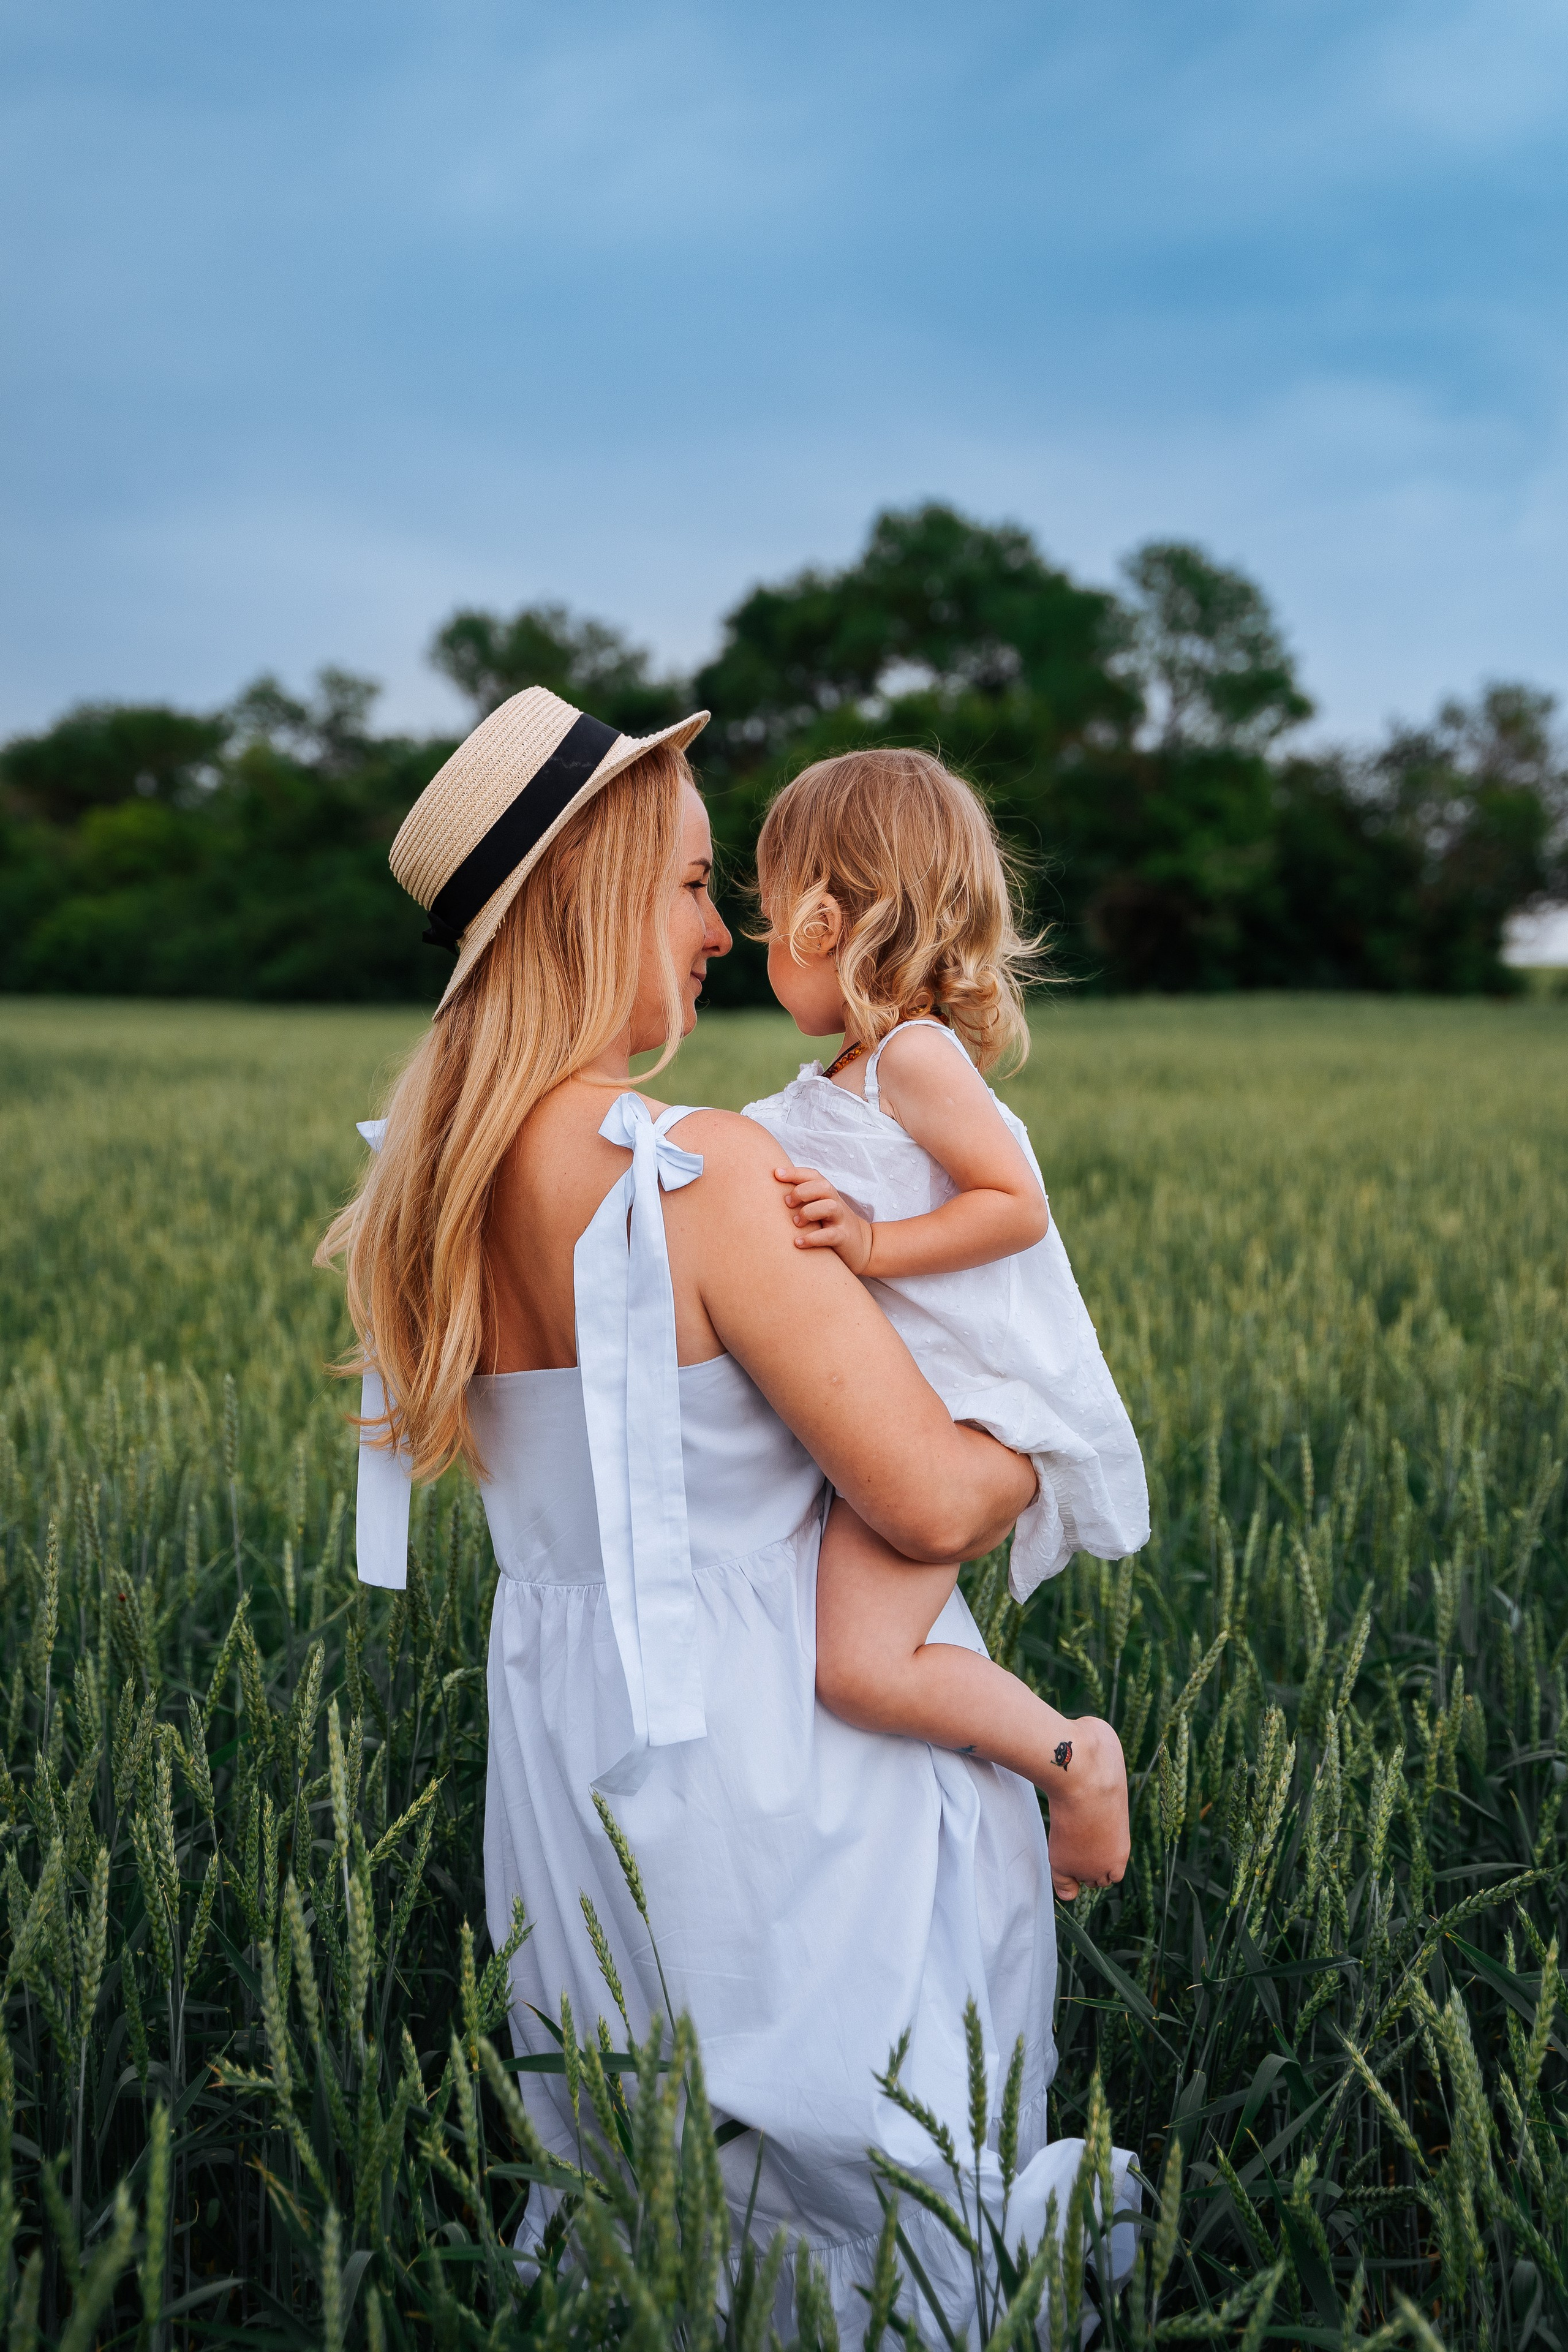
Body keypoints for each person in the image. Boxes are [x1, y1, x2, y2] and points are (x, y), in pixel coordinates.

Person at [319, 687, 1136, 2331]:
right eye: (694, 885)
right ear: (592, 896)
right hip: (789, 1763)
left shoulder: (433, 1182)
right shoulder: (688, 1167)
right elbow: (927, 1499)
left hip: (571, 1751)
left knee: (653, 2205)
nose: (720, 932)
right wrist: (1042, 1437)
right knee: (889, 2211)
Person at [742, 748, 1148, 1893]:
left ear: (824, 923)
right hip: (903, 1411)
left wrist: (874, 1247)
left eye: (769, 919)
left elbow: (1014, 1204)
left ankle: (1075, 1763)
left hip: (965, 1412)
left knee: (860, 1669)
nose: (758, 944)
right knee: (845, 1659)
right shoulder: (852, 1071)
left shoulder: (912, 1059)